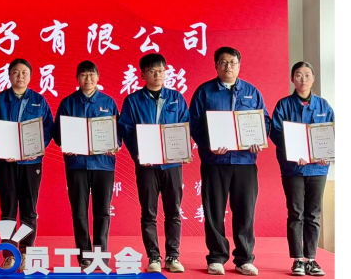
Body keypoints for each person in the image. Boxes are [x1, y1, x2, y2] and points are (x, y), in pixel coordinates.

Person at [190, 47, 271, 276]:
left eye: (233, 62)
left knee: (245, 211)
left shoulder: (252, 92)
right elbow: (194, 123)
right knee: (214, 211)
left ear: (239, 65)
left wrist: (258, 139)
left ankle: (244, 259)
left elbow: (264, 120)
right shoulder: (205, 92)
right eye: (223, 62)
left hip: (245, 162)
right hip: (215, 161)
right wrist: (209, 144)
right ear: (216, 65)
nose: (228, 67)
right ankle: (216, 257)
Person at [118, 54, 189, 274]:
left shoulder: (176, 98)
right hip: (147, 165)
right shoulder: (133, 101)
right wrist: (139, 153)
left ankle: (173, 256)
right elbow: (126, 129)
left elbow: (184, 125)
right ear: (142, 75)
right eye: (151, 71)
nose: (157, 75)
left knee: (173, 211)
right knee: (149, 212)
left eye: (161, 70)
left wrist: (181, 150)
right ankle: (154, 256)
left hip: (172, 165)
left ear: (166, 72)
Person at [52, 60, 121, 270]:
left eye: (92, 74)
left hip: (103, 165)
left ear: (98, 77)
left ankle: (100, 255)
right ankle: (84, 255)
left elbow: (117, 132)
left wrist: (115, 144)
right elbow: (57, 133)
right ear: (77, 78)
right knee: (79, 212)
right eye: (83, 75)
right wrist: (66, 144)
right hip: (76, 164)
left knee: (102, 212)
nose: (88, 79)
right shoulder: (68, 103)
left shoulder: (108, 102)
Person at [0, 58, 54, 271]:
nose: (20, 76)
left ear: (30, 76)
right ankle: (9, 255)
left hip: (31, 163)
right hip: (5, 163)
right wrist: (3, 150)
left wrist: (35, 149)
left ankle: (25, 253)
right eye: (16, 72)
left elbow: (48, 129)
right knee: (7, 210)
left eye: (24, 72)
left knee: (28, 210)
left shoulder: (39, 100)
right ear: (9, 75)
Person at [270, 62, 334, 277]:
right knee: (296, 213)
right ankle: (297, 259)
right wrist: (293, 151)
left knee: (313, 214)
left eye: (307, 75)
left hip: (318, 169)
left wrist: (327, 154)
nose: (303, 79)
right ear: (292, 79)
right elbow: (276, 132)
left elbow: (330, 134)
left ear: (313, 78)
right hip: (293, 168)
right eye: (298, 75)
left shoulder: (324, 106)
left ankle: (312, 259)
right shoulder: (284, 105)